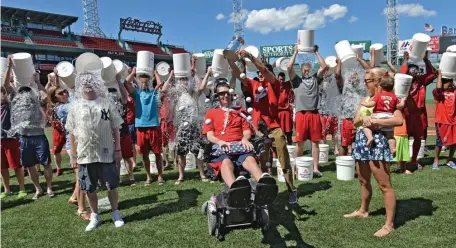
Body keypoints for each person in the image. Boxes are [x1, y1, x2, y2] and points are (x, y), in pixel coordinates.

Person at [228, 50, 297, 204]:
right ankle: (266, 193)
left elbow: (265, 70)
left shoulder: (274, 84)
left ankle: (292, 190)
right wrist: (230, 59)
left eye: (261, 71)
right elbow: (239, 73)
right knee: (263, 165)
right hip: (260, 131)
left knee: (284, 162)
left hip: (275, 129)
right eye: (257, 72)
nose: (259, 73)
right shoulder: (253, 84)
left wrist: (251, 57)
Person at [345, 68, 402, 237]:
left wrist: (375, 121)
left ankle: (389, 224)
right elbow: (356, 121)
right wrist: (363, 119)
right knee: (363, 180)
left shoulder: (390, 99)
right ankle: (363, 210)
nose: (365, 83)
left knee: (384, 185)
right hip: (363, 141)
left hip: (378, 142)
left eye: (367, 81)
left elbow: (398, 119)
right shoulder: (365, 99)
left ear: (377, 82)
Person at [66, 72, 124, 231]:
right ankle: (95, 215)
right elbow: (71, 131)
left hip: (106, 152)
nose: (88, 85)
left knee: (111, 186)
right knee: (89, 189)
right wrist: (73, 155)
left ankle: (115, 213)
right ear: (80, 85)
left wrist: (118, 149)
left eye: (91, 82)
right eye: (85, 82)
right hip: (85, 155)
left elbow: (116, 127)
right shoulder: (75, 106)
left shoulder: (106, 103)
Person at [202, 81, 269, 186]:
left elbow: (247, 130)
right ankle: (235, 190)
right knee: (226, 163)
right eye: (221, 93)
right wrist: (219, 142)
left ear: (231, 94)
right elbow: (209, 135)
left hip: (240, 146)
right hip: (222, 149)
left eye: (227, 93)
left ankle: (264, 185)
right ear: (217, 96)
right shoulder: (211, 113)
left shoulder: (240, 111)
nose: (225, 95)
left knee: (250, 160)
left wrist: (245, 139)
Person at [6, 57, 54, 200]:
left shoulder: (35, 96)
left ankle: (50, 187)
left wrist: (38, 82)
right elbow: (6, 84)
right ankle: (38, 189)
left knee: (46, 163)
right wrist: (9, 67)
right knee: (30, 165)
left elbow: (47, 98)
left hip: (39, 135)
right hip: (24, 137)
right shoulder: (15, 96)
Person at [288, 44, 328, 176]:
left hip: (314, 114)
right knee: (300, 143)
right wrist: (295, 52)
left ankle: (315, 168)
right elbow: (289, 67)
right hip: (301, 114)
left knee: (315, 143)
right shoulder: (296, 81)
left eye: (308, 69)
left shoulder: (316, 79)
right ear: (301, 70)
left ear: (310, 69)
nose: (306, 71)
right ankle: (298, 168)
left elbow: (325, 67)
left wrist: (316, 52)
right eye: (304, 69)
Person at [124, 68, 164, 185]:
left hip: (153, 127)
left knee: (157, 153)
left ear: (149, 82)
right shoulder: (137, 94)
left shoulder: (154, 93)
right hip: (141, 128)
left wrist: (156, 73)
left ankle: (160, 176)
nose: (144, 84)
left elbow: (161, 86)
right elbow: (126, 83)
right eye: (142, 82)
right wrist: (133, 72)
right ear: (138, 82)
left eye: (146, 82)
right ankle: (148, 176)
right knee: (144, 154)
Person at [400, 51, 436, 169]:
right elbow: (402, 73)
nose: (415, 72)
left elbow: (432, 73)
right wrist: (406, 59)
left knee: (418, 137)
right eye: (413, 69)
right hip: (406, 110)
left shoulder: (422, 81)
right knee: (403, 137)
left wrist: (426, 60)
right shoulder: (405, 81)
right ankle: (402, 162)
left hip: (419, 111)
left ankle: (414, 160)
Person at [0, 57, 26, 199]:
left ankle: (22, 188)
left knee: (15, 165)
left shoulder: (10, 102)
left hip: (10, 138)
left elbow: (5, 84)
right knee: (2, 168)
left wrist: (9, 67)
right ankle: (7, 189)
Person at [361, 73, 399, 152]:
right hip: (389, 117)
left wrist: (365, 104)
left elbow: (372, 104)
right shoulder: (394, 97)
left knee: (366, 127)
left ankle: (370, 137)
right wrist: (402, 103)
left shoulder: (379, 95)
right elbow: (398, 106)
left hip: (378, 116)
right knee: (390, 136)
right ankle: (393, 148)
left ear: (380, 86)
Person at [432, 70, 456, 169]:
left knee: (454, 142)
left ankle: (450, 159)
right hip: (442, 121)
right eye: (447, 82)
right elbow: (438, 87)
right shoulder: (439, 93)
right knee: (439, 142)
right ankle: (436, 160)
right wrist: (440, 75)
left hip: (453, 121)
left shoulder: (454, 91)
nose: (450, 84)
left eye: (451, 82)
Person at [277, 72, 294, 145]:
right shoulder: (274, 85)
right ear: (278, 78)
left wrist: (288, 69)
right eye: (280, 79)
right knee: (279, 132)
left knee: (288, 131)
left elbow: (292, 78)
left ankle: (290, 147)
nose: (281, 81)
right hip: (278, 112)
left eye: (283, 79)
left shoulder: (287, 85)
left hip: (287, 111)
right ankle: (278, 148)